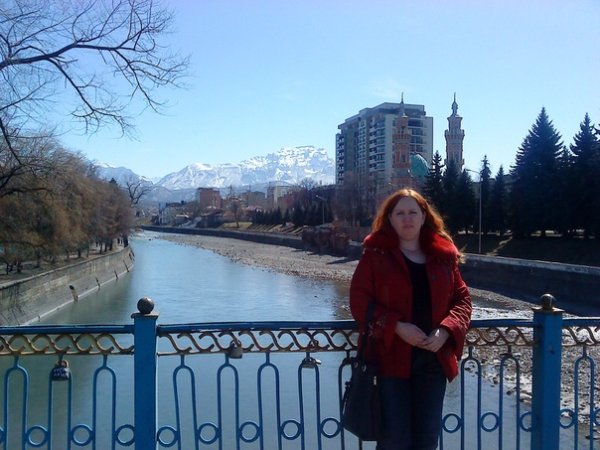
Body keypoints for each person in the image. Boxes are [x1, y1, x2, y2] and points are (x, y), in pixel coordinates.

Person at [349, 188, 472, 450]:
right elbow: (359, 301)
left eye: (413, 212)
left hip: (433, 361)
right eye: (400, 213)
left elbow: (462, 300)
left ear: (424, 216)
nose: (407, 218)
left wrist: (446, 330)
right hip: (390, 359)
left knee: (426, 440)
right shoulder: (376, 254)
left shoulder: (442, 256)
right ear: (390, 219)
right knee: (394, 441)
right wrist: (396, 327)